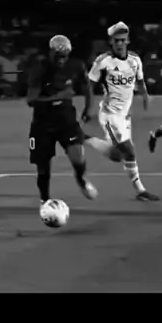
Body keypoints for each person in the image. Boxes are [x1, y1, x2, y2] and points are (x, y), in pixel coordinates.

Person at [85, 21, 160, 202]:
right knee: (129, 151)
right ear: (111, 42)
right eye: (116, 40)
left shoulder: (135, 60)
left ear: (128, 41)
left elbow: (140, 81)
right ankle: (140, 190)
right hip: (110, 116)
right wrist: (88, 108)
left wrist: (145, 95)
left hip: (125, 116)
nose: (119, 43)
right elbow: (89, 84)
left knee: (118, 155)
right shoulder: (103, 61)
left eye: (122, 40)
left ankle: (85, 139)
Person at [27, 34, 97, 207]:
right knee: (43, 166)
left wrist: (88, 108)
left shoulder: (76, 66)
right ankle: (45, 200)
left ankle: (81, 179)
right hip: (43, 122)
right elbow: (31, 100)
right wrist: (58, 96)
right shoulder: (40, 68)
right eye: (58, 56)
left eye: (65, 56)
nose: (62, 60)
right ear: (51, 53)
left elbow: (87, 88)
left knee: (78, 157)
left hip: (66, 119)